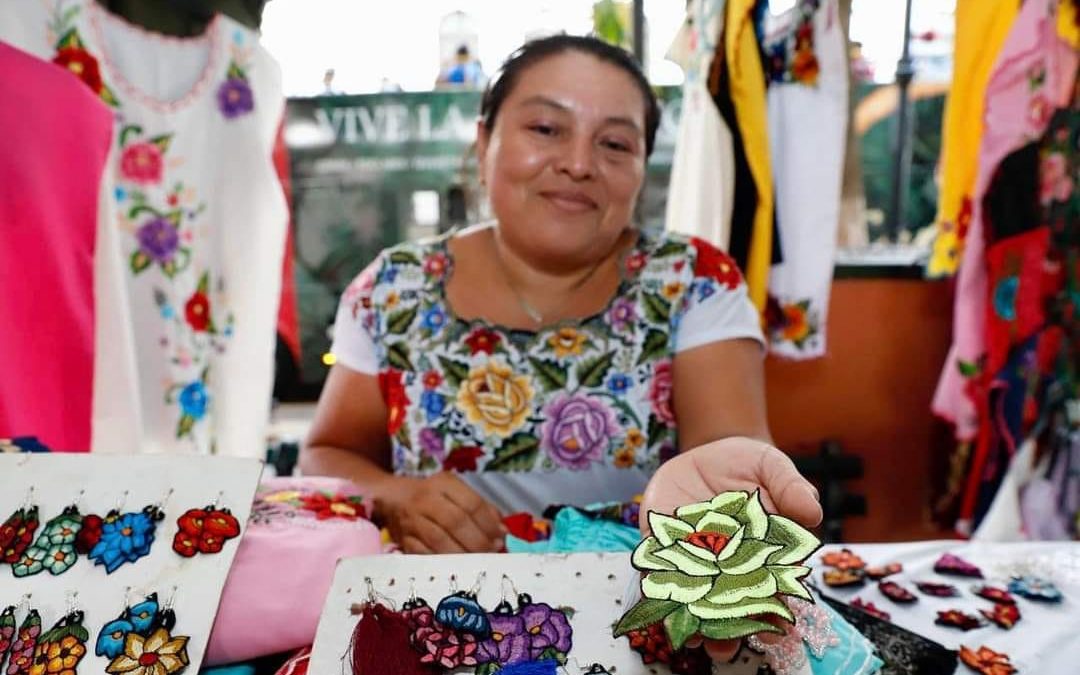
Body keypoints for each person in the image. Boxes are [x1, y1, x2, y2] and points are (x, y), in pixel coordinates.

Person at [302, 34, 820, 557]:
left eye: (614, 144)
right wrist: (396, 494)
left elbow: (731, 475)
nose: (578, 163)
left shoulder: (693, 284)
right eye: (546, 129)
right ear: (484, 144)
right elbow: (327, 454)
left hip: (638, 607)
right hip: (436, 612)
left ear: (642, 168)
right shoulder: (395, 290)